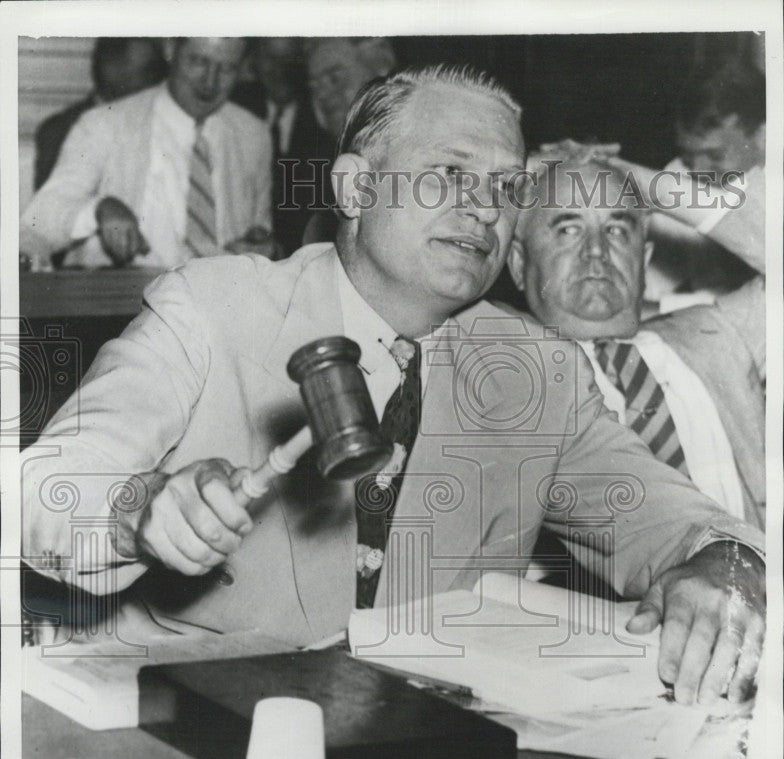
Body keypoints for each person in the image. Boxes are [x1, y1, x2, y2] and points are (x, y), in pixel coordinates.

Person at [22, 65, 765, 708]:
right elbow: (44, 489)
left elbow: (692, 528)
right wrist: (137, 508)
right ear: (354, 186)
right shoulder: (210, 307)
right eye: (450, 174)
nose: (484, 208)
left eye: (507, 189)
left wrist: (722, 570)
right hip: (186, 728)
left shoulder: (537, 371)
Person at [506, 154, 765, 532]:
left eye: (616, 230)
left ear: (643, 259)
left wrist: (638, 178)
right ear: (517, 263)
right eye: (568, 229)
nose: (596, 250)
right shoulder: (500, 380)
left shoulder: (717, 335)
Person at [21, 37, 276, 269]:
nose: (210, 82)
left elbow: (260, 228)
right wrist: (101, 208)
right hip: (125, 311)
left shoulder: (254, 134)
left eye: (227, 68)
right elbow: (39, 222)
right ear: (170, 49)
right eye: (198, 61)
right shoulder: (103, 125)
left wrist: (262, 245)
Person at [645, 58, 765, 303]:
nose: (698, 172)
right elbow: (651, 292)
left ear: (763, 135)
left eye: (715, 155)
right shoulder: (677, 175)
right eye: (689, 154)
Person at [232, 37, 334, 256]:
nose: (281, 70)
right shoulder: (234, 107)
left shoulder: (324, 119)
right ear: (255, 61)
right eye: (271, 58)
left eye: (290, 59)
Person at [34, 38, 167, 191]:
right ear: (113, 69)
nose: (162, 80)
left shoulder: (165, 121)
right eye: (150, 70)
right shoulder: (59, 131)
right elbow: (53, 208)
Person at [300, 37, 398, 245]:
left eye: (334, 78)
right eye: (314, 87)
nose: (323, 95)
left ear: (380, 68)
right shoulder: (315, 169)